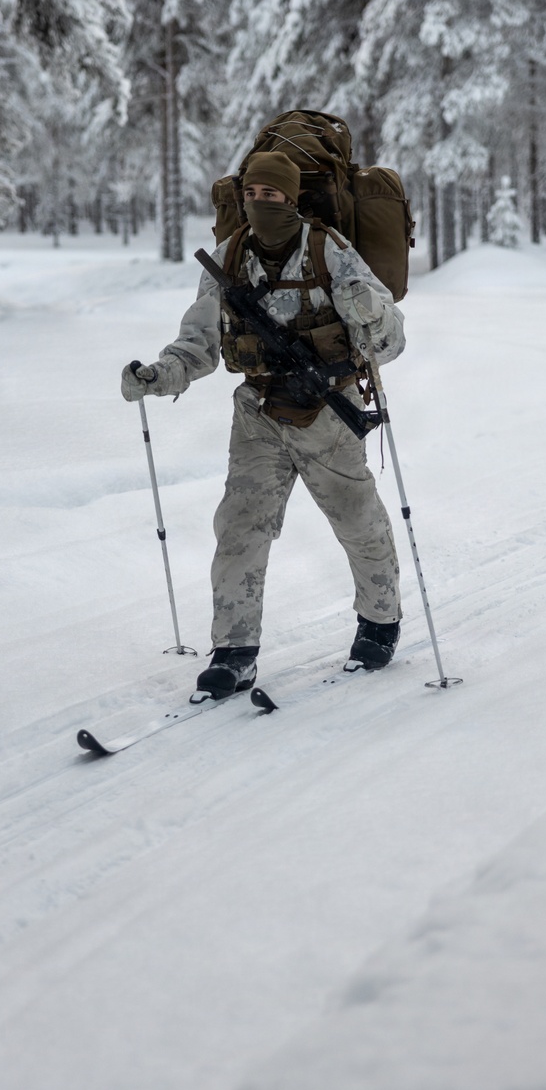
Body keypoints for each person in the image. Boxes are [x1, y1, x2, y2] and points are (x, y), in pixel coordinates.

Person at [121, 149, 405, 701]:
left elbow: (390, 341)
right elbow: (199, 342)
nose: (259, 203)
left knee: (357, 521)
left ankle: (380, 623)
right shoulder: (228, 258)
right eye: (251, 194)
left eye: (271, 195)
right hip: (257, 412)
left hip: (328, 409)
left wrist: (367, 307)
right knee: (238, 528)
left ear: (291, 198)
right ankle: (234, 652)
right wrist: (160, 376)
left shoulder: (331, 251)